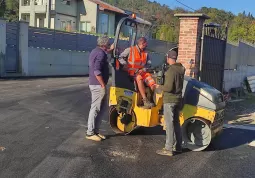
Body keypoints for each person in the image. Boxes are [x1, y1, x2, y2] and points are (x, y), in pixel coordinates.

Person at [156, 50, 186, 156]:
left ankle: (168, 148)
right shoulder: (180, 69)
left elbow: (168, 87)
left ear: (168, 58)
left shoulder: (170, 71)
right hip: (178, 99)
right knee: (176, 123)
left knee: (169, 124)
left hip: (170, 100)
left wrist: (159, 87)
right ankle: (178, 147)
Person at [86, 35, 114, 142]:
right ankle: (90, 132)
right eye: (108, 44)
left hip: (95, 84)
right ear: (104, 44)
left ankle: (95, 131)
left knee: (100, 108)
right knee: (96, 108)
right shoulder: (101, 54)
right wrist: (102, 85)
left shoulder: (96, 51)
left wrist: (110, 50)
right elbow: (96, 71)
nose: (108, 45)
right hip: (98, 85)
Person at [118, 37, 156, 108]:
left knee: (152, 82)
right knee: (139, 78)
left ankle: (151, 99)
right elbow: (120, 57)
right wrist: (125, 64)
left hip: (142, 72)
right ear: (142, 43)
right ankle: (145, 100)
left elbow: (149, 64)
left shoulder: (146, 53)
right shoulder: (130, 50)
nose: (147, 45)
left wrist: (144, 69)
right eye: (145, 44)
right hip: (132, 72)